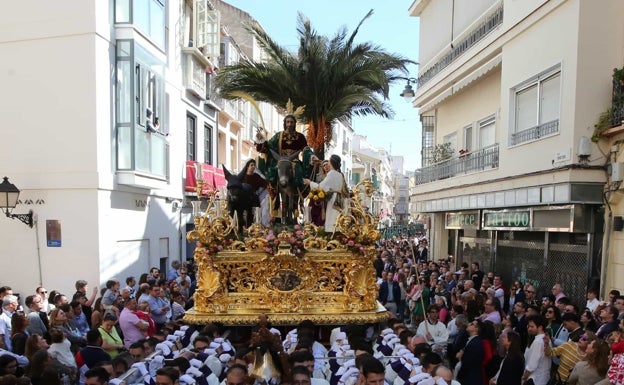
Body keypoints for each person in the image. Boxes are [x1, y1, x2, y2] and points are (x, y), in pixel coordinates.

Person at [255, 115, 316, 222]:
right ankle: (275, 195)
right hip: (281, 161)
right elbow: (268, 147)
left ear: (294, 123)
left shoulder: (300, 137)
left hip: (294, 162)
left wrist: (311, 156)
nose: (289, 124)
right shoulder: (279, 135)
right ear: (285, 123)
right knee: (273, 174)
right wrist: (261, 141)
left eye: (291, 122)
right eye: (287, 122)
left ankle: (297, 195)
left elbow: (306, 149)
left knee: (298, 174)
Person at [303, 154, 347, 233]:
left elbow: (321, 187)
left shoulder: (332, 174)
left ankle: (332, 233)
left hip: (333, 199)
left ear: (331, 163)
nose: (328, 164)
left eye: (329, 162)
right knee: (337, 217)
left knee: (332, 217)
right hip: (340, 199)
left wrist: (310, 183)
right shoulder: (340, 174)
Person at [522, 315, 551, 385]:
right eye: (528, 326)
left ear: (540, 327)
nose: (529, 329)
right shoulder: (545, 338)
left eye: (532, 326)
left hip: (535, 379)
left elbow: (531, 366)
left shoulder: (538, 341)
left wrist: (523, 378)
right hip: (541, 378)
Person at [240, 158, 270, 226]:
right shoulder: (242, 176)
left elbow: (266, 184)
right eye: (252, 165)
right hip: (244, 199)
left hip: (254, 199)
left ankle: (256, 229)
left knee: (255, 215)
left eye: (254, 165)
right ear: (247, 166)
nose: (253, 167)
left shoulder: (256, 176)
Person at [457, 320, 485, 385]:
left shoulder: (474, 344)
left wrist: (461, 357)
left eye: (472, 324)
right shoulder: (473, 341)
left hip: (471, 379)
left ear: (476, 329)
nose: (469, 324)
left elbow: (467, 364)